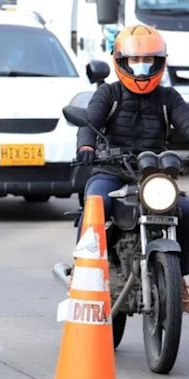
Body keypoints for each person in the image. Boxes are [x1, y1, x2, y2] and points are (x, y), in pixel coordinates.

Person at [74, 24, 189, 311]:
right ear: (121, 62)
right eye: (135, 60)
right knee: (96, 203)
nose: (141, 67)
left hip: (154, 175)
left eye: (148, 60)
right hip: (111, 172)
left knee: (186, 210)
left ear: (159, 62)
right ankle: (82, 271)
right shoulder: (108, 95)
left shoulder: (169, 99)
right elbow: (89, 125)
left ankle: (181, 279)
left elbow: (187, 123)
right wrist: (86, 148)